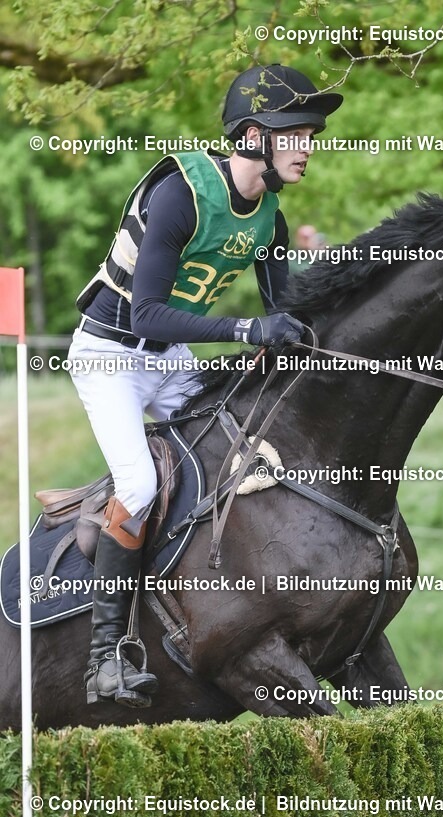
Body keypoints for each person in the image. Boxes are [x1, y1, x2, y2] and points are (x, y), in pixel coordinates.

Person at [69, 64, 343, 709]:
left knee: (243, 452)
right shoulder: (181, 194)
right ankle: (104, 657)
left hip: (169, 358)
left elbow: (291, 314)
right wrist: (250, 328)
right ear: (253, 137)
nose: (309, 147)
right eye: (296, 134)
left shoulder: (269, 216)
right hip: (110, 354)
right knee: (137, 484)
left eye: (311, 134)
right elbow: (146, 314)